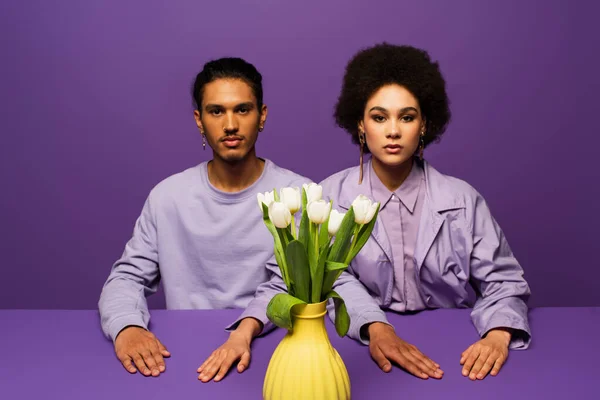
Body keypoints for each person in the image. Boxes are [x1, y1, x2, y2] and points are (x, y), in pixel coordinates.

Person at [319, 43, 531, 381]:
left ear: (424, 125)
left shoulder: (464, 199)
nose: (393, 131)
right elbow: (330, 280)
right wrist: (375, 327)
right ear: (360, 124)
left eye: (406, 117)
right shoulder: (328, 197)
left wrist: (498, 334)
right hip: (361, 350)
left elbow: (504, 281)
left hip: (456, 353)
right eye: (379, 117)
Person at [98, 57, 307, 378]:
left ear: (261, 115)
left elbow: (299, 287)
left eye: (242, 109)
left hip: (275, 348)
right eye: (216, 111)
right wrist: (126, 327)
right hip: (183, 352)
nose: (231, 125)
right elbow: (126, 278)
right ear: (199, 119)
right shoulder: (168, 196)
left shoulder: (298, 194)